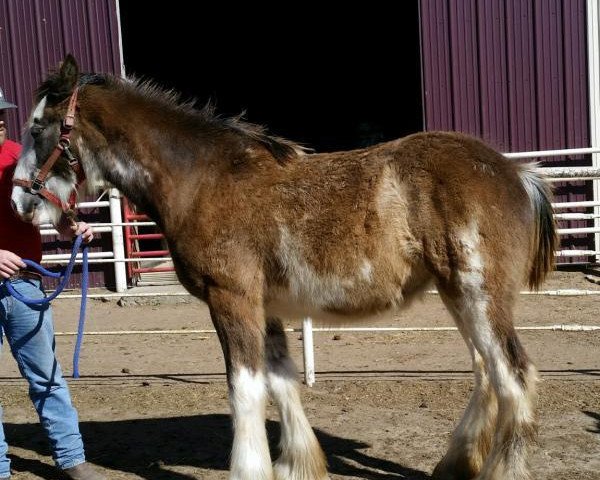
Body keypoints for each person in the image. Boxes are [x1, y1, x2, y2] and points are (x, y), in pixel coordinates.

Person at [0, 87, 105, 480]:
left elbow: (54, 203)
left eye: (2, 113)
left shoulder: (22, 155)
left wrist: (74, 225)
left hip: (25, 285)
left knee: (47, 378)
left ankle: (72, 459)